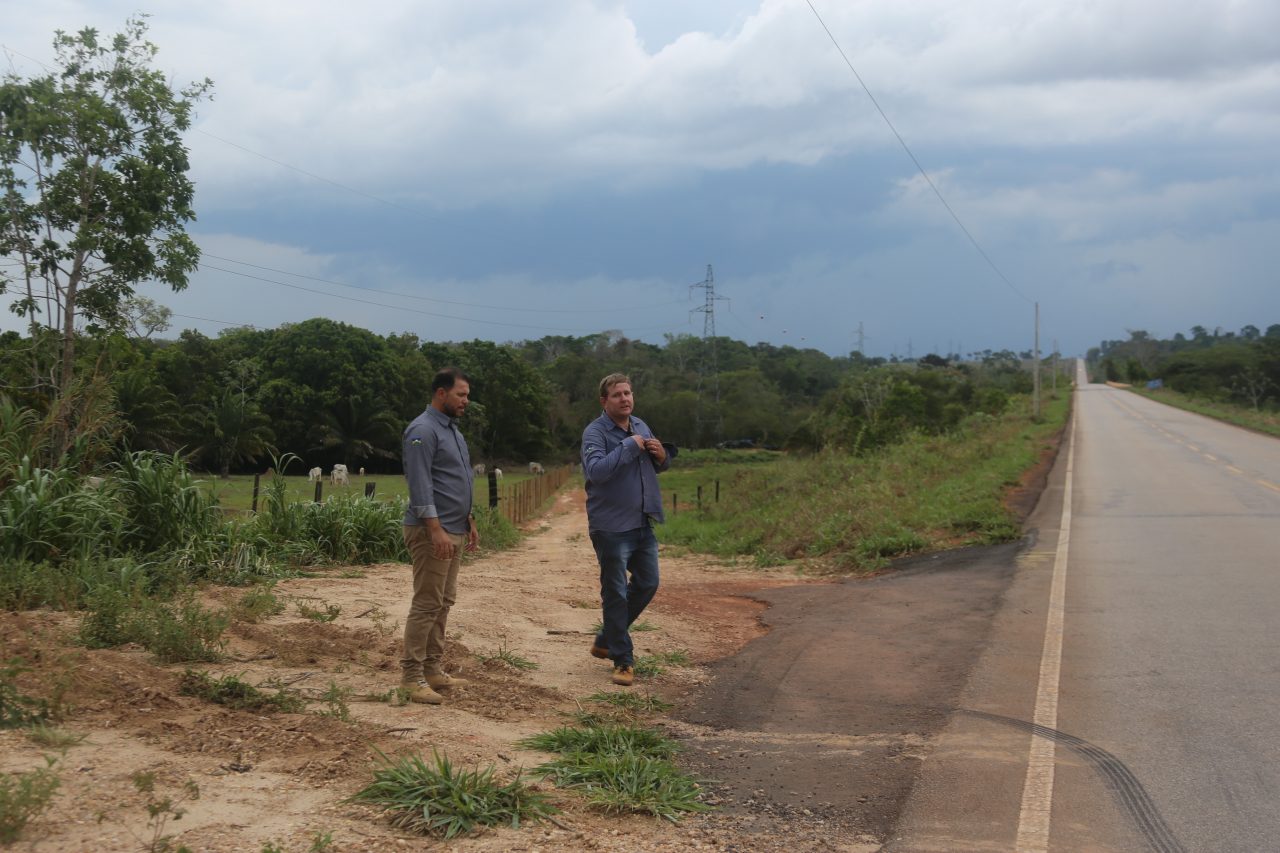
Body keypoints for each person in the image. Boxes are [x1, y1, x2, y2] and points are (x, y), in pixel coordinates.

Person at [581, 373, 670, 686]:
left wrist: (662, 456)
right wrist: (629, 447)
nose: (625, 399)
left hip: (642, 522)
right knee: (615, 592)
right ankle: (623, 660)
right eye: (617, 394)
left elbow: (657, 465)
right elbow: (596, 471)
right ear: (604, 401)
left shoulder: (641, 425)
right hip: (611, 527)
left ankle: (607, 637)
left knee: (648, 583)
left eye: (628, 393)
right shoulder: (595, 433)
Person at [399, 367, 479, 704]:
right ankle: (410, 677)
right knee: (427, 603)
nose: (465, 402)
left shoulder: (453, 432)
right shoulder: (423, 430)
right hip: (432, 532)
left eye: (467, 396)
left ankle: (432, 668)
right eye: (461, 395)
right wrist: (436, 530)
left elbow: (455, 480)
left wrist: (468, 519)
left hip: (454, 528)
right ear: (441, 393)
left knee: (443, 602)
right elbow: (420, 485)